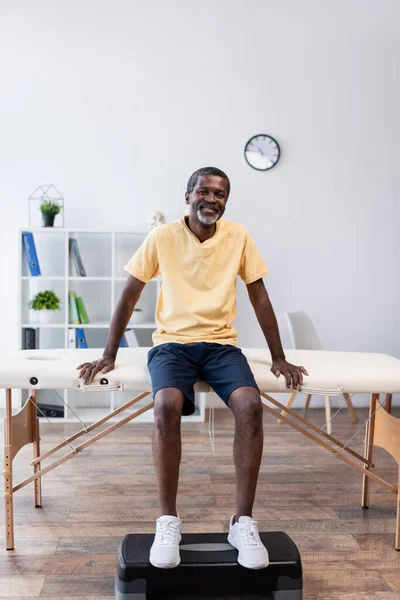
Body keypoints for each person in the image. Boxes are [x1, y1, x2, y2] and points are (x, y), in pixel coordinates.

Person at [77, 166, 308, 570]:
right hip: (172, 346)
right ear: (188, 196)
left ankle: (243, 522)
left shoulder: (238, 237)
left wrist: (278, 356)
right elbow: (129, 295)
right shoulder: (162, 237)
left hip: (220, 346)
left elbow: (260, 298)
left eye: (220, 195)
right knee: (165, 405)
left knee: (251, 406)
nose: (211, 200)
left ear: (225, 202)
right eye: (204, 192)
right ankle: (167, 521)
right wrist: (108, 354)